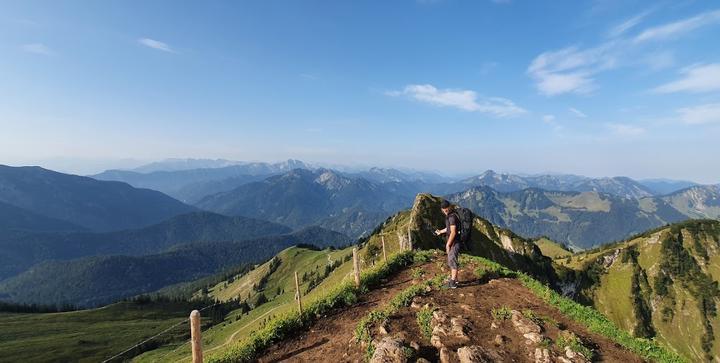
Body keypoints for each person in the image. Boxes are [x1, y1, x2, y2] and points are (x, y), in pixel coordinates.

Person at [434, 199, 460, 289]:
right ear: (442, 209)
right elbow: (449, 228)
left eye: (446, 208)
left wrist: (448, 244)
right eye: (444, 208)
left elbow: (453, 232)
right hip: (453, 242)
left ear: (449, 207)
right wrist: (440, 231)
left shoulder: (451, 217)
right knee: (452, 260)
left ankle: (453, 283)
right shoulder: (451, 215)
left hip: (454, 243)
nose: (445, 210)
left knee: (452, 261)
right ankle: (455, 279)